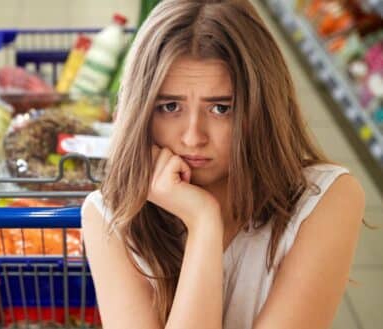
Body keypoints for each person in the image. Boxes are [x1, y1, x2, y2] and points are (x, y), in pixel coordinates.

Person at [81, 1, 366, 328]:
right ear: (141, 111)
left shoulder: (324, 199)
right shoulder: (110, 214)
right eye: (170, 106)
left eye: (220, 109)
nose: (192, 137)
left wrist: (202, 221)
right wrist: (203, 221)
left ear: (262, 109)